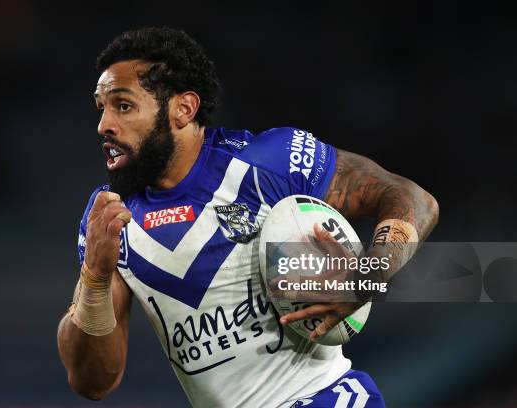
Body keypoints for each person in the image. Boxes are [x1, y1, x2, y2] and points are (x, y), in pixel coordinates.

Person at [57, 26, 439, 408]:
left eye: (123, 106)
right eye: (101, 108)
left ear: (183, 108)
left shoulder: (266, 162)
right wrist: (95, 276)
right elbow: (94, 381)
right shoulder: (110, 217)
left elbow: (412, 199)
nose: (104, 125)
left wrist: (367, 277)